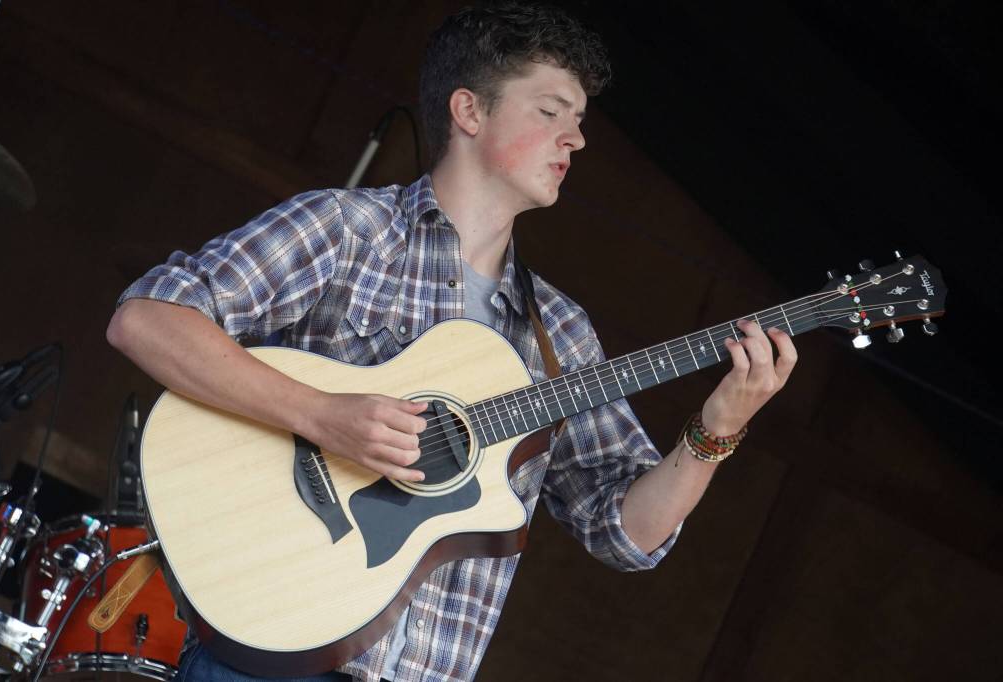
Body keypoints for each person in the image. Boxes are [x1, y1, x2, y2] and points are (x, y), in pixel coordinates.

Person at [106, 3, 797, 681]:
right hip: (271, 656)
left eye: (580, 122)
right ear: (469, 111)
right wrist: (322, 416)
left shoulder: (561, 333)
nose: (576, 140)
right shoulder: (351, 231)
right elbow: (146, 318)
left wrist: (715, 432)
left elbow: (625, 532)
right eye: (551, 111)